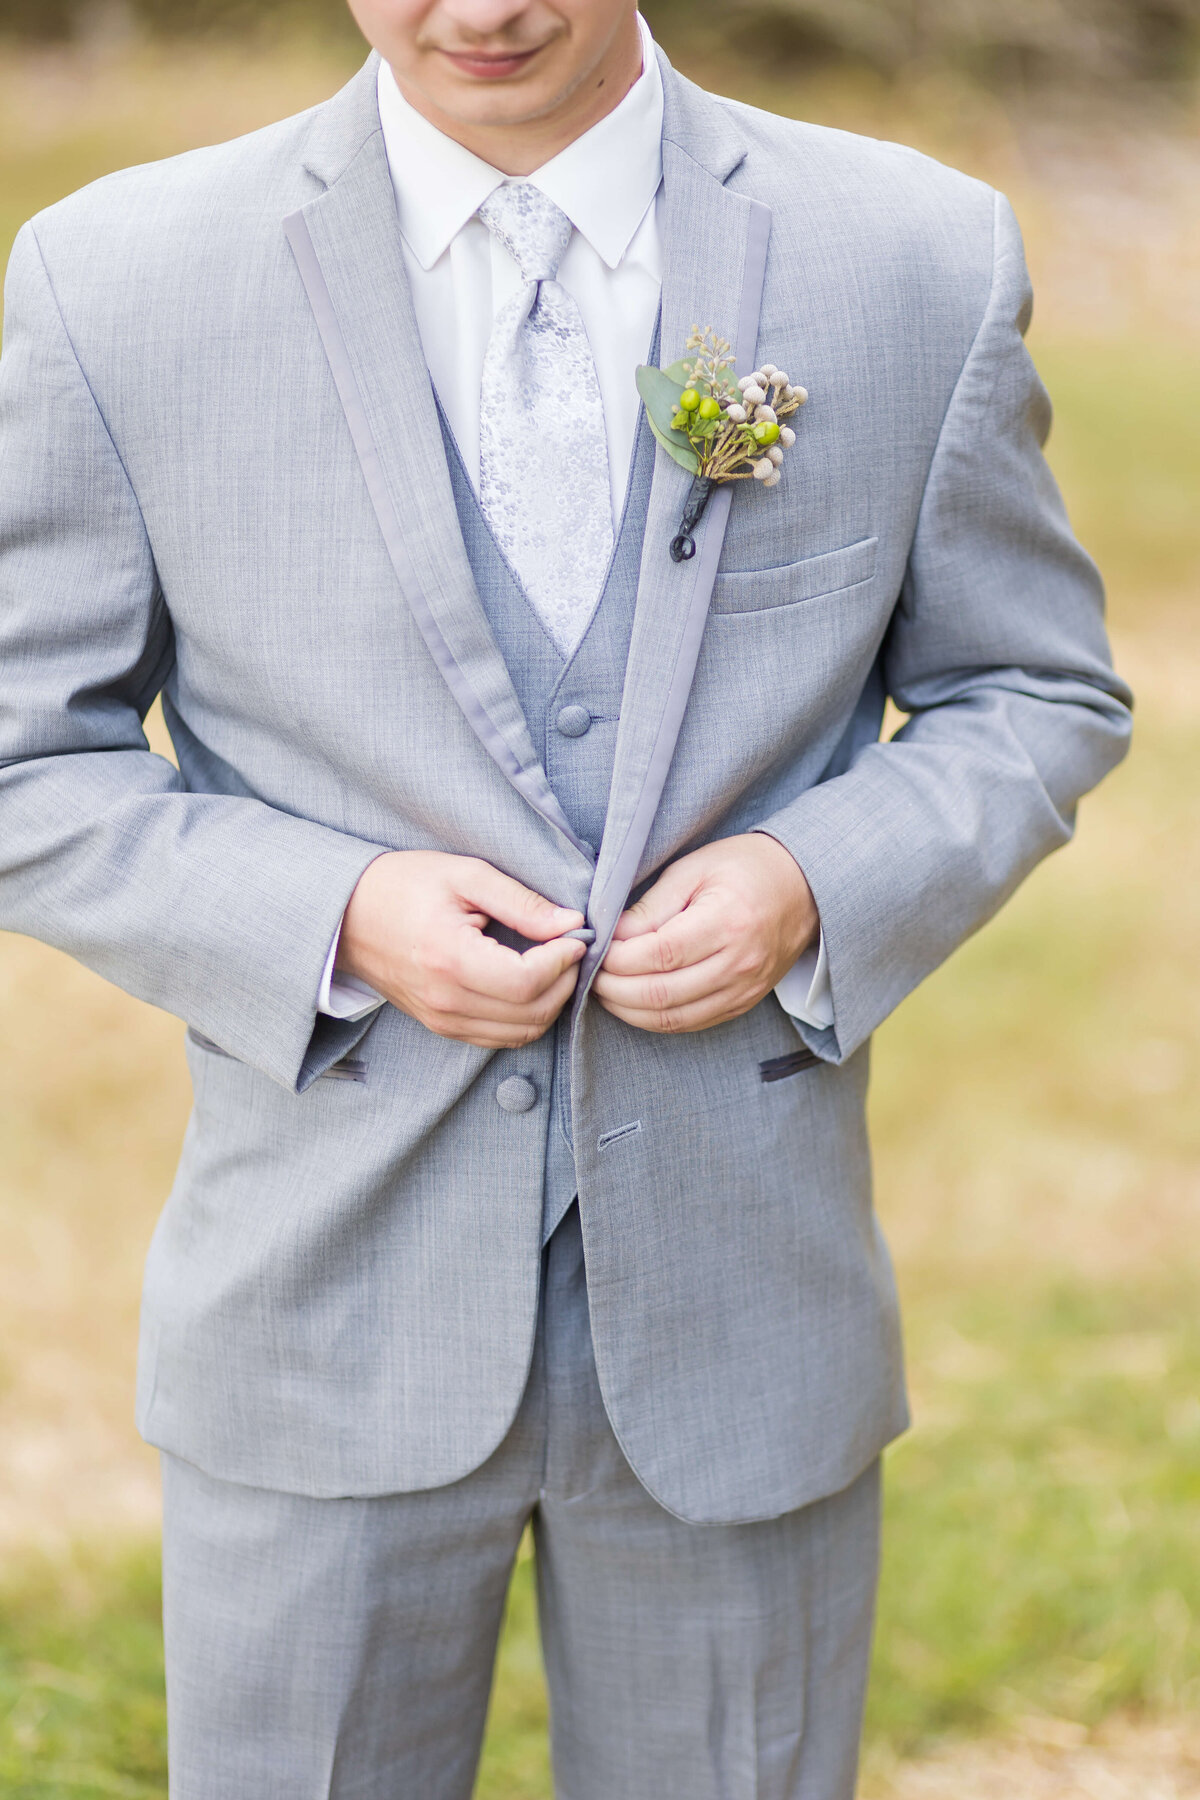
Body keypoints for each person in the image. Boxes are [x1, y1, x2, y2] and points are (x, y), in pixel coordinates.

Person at [0, 0, 1131, 1793]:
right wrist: (333, 916)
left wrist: (810, 881)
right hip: (320, 1315)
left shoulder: (908, 252)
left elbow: (1038, 694)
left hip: (745, 1323)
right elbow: (23, 757)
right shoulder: (117, 280)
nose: (484, 9)